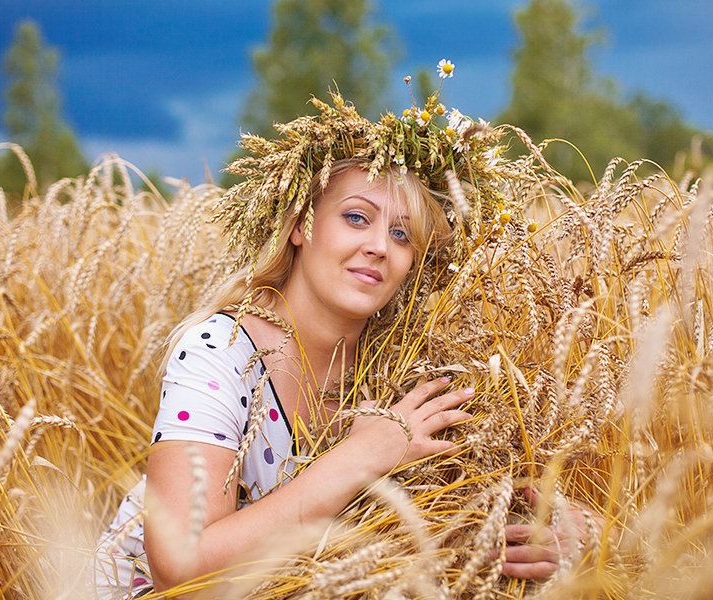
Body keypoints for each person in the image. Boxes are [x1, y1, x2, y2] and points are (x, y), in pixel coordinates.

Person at [94, 87, 596, 598]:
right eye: (356, 217)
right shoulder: (218, 354)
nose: (378, 246)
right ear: (299, 225)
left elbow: (492, 494)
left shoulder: (409, 359)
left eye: (402, 235)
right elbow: (181, 574)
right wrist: (363, 456)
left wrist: (567, 532)